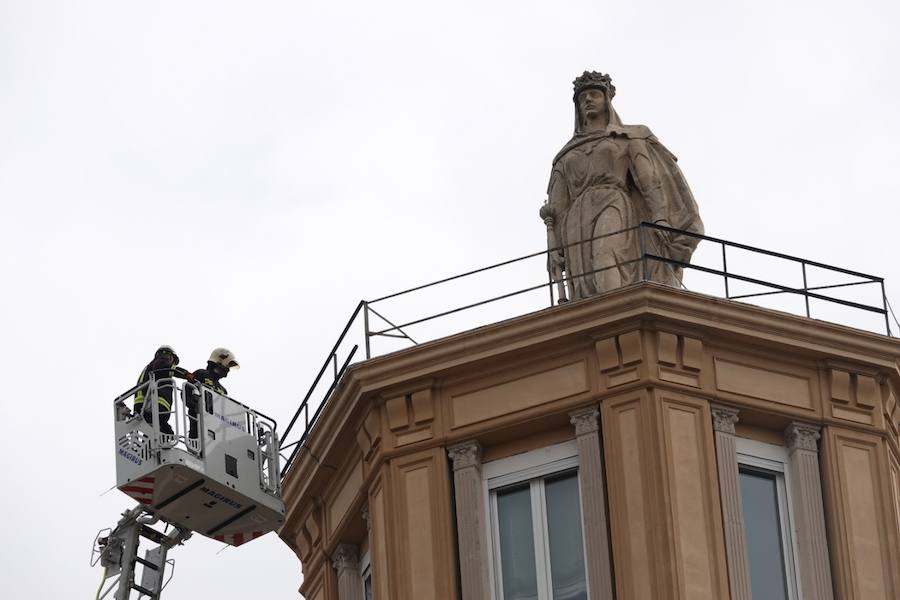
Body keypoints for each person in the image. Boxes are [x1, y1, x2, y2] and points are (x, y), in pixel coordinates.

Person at [541, 71, 704, 300]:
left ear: (606, 100)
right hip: (577, 217)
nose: (588, 100)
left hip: (613, 201)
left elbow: (649, 181)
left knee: (605, 255)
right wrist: (554, 246)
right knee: (585, 278)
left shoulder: (628, 137)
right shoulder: (565, 154)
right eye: (582, 97)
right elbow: (556, 207)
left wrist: (660, 217)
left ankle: (616, 309)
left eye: (594, 94)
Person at [134, 345, 190, 435]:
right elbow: (168, 369)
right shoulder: (161, 361)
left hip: (144, 405)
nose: (173, 364)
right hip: (152, 404)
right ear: (169, 356)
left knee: (159, 431)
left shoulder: (150, 367)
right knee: (159, 429)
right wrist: (186, 374)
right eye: (173, 361)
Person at [185, 347, 240, 438]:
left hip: (218, 429)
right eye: (227, 366)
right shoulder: (201, 374)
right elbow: (187, 390)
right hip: (198, 421)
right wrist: (194, 405)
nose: (228, 370)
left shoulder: (223, 390)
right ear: (219, 361)